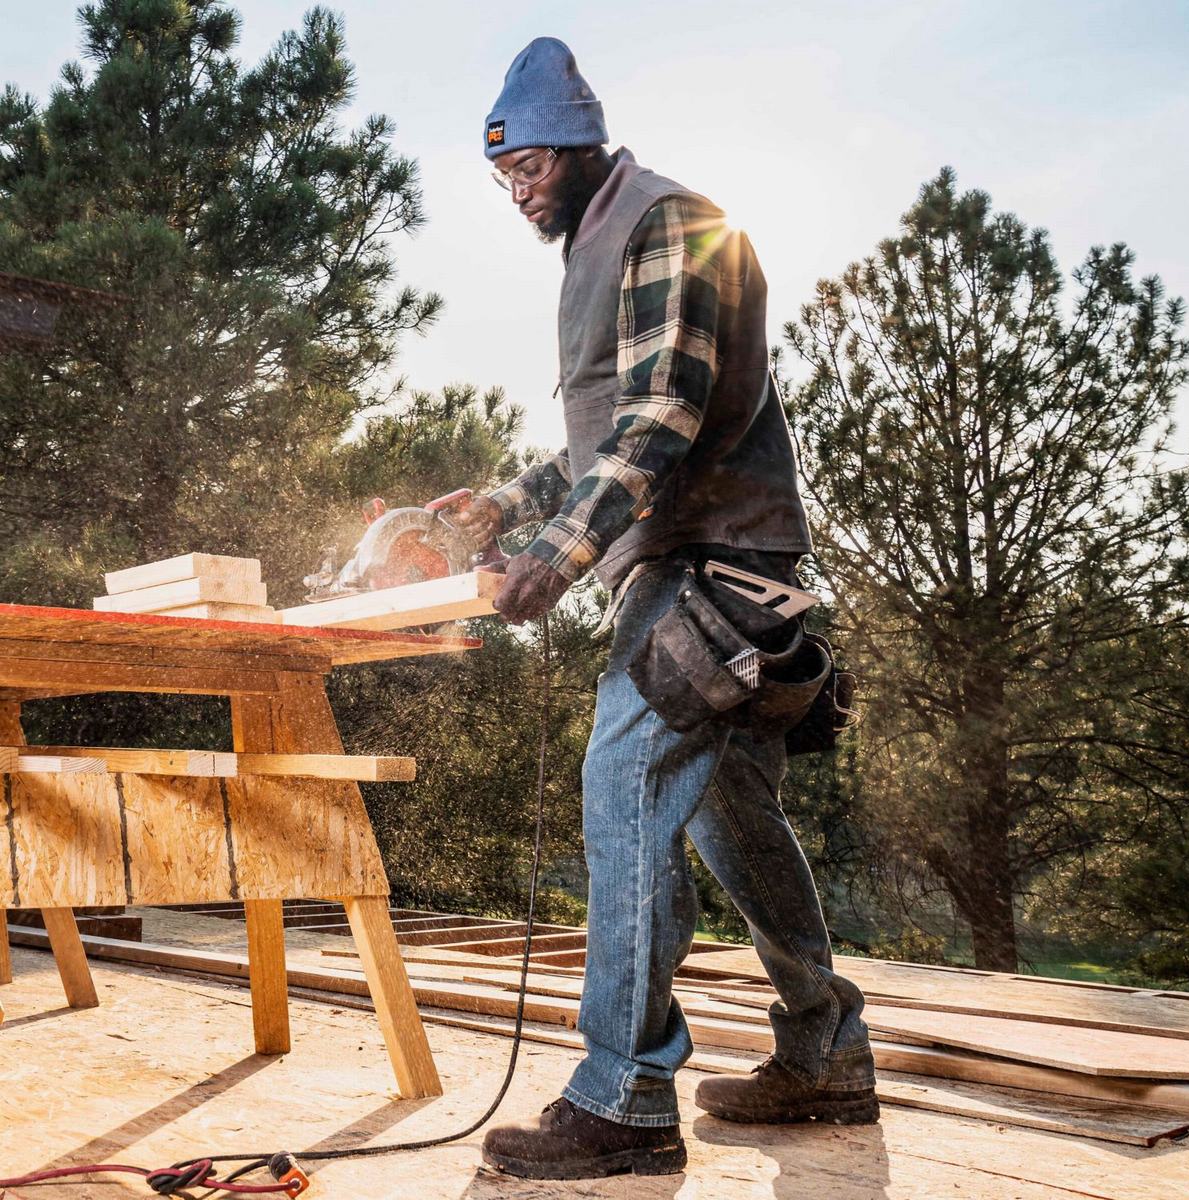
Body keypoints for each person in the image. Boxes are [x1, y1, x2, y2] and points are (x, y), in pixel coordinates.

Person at [455, 37, 877, 1181]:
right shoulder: (601, 240)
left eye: (531, 163)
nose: (518, 189)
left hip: (711, 570)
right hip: (712, 565)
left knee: (623, 783)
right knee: (731, 818)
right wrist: (505, 501)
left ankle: (627, 1100)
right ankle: (826, 1055)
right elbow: (605, 426)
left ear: (581, 141)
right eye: (504, 175)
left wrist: (552, 553)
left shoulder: (662, 219)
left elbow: (663, 418)